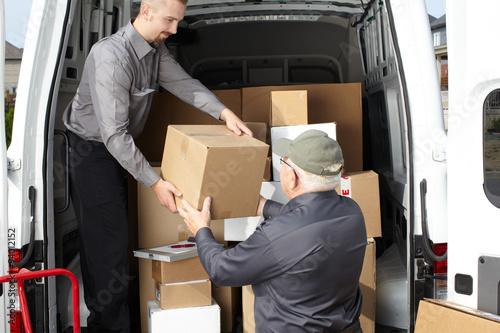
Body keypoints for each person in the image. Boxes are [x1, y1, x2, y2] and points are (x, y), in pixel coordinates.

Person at [62, 0, 252, 331]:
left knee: (109, 241)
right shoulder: (111, 57)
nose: (175, 30)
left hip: (116, 149)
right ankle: (109, 326)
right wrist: (154, 182)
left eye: (179, 21)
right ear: (146, 10)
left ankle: (109, 318)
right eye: (170, 20)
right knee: (110, 244)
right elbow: (114, 136)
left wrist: (225, 113)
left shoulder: (154, 50)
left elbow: (185, 85)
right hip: (93, 151)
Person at [179, 129, 367, 333]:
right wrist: (264, 206)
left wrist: (201, 229)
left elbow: (221, 270)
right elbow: (308, 222)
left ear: (293, 177)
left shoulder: (277, 234)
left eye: (284, 163)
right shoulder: (352, 212)